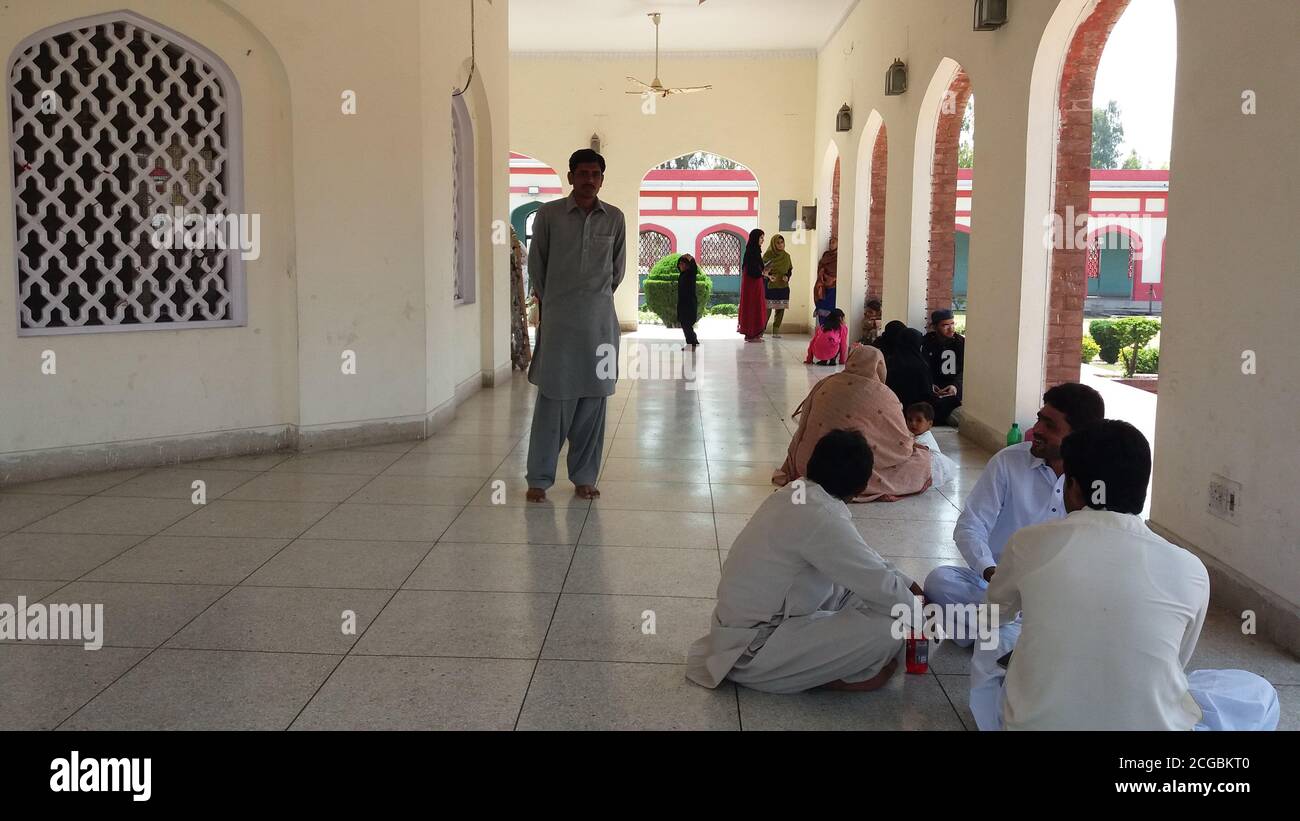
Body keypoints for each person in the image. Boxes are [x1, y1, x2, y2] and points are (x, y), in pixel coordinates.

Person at [977, 420, 1280, 731]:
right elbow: (1176, 661)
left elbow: (993, 616)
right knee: (1257, 692)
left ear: (1075, 487)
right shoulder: (1190, 570)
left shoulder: (1029, 542)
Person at [687, 429, 924, 693]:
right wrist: (924, 616)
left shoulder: (798, 492)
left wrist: (908, 584)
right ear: (862, 486)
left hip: (742, 630)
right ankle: (828, 677)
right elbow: (876, 581)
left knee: (865, 593)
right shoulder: (821, 515)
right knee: (892, 628)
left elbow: (864, 560)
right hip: (754, 648)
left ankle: (832, 664)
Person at [923, 383, 1105, 646]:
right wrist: (991, 571)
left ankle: (1001, 636)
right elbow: (970, 525)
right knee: (941, 581)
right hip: (999, 584)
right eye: (1040, 419)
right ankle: (1021, 638)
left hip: (1061, 592)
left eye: (1050, 426)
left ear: (1079, 436)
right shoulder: (1008, 461)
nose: (1037, 430)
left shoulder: (1095, 478)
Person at [525, 148, 626, 503]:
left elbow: (617, 271)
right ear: (570, 177)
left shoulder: (614, 218)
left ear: (602, 178)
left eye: (595, 174)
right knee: (553, 403)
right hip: (560, 326)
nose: (588, 180)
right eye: (582, 173)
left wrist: (593, 300)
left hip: (600, 327)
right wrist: (557, 303)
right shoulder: (549, 215)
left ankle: (584, 477)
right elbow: (537, 267)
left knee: (593, 405)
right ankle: (538, 479)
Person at [774, 345, 933, 501]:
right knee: (922, 461)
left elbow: (804, 425)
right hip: (848, 472)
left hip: (809, 463)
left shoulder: (826, 383)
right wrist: (912, 441)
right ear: (879, 366)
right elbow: (900, 447)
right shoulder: (884, 396)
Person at [875, 321, 933, 410]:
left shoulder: (889, 362)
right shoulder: (921, 365)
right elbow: (926, 394)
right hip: (916, 411)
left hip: (891, 408)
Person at [922, 309, 965, 425]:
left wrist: (955, 386)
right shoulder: (926, 343)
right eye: (945, 325)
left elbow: (965, 370)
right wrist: (930, 384)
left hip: (955, 392)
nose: (951, 328)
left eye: (952, 324)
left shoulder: (961, 343)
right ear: (935, 327)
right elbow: (923, 368)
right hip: (933, 392)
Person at [905, 401, 956, 488]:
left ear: (930, 424)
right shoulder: (914, 435)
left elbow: (923, 450)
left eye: (919, 420)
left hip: (932, 466)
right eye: (910, 420)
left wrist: (908, 443)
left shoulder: (926, 437)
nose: (913, 423)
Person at [737, 228, 768, 342]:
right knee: (753, 306)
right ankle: (752, 333)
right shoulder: (752, 252)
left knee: (754, 305)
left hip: (755, 283)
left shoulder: (754, 250)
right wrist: (762, 273)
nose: (762, 240)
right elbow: (751, 270)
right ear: (755, 238)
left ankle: (753, 333)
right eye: (761, 237)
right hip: (752, 284)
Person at [509, 226, 532, 371]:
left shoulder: (517, 246)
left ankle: (519, 353)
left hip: (516, 287)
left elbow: (524, 260)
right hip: (508, 289)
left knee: (516, 322)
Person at [762, 234, 793, 336]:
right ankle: (761, 330)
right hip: (770, 285)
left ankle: (776, 330)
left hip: (782, 286)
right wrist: (769, 276)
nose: (780, 245)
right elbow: (762, 270)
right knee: (767, 310)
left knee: (780, 309)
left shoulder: (787, 256)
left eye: (782, 242)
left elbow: (789, 270)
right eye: (778, 243)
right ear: (773, 244)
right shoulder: (767, 256)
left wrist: (787, 276)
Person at [676, 253, 701, 349]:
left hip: (689, 304)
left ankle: (691, 343)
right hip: (682, 304)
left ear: (687, 265)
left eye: (682, 264)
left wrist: (689, 257)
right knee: (684, 324)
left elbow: (694, 266)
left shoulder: (690, 274)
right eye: (680, 264)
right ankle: (693, 341)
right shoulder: (682, 275)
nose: (680, 266)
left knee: (686, 324)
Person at [813, 236, 838, 327]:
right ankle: (822, 330)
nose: (831, 244)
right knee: (821, 307)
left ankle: (829, 331)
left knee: (830, 309)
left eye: (834, 242)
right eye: (830, 242)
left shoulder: (838, 257)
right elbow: (820, 267)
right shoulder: (826, 255)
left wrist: (831, 278)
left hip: (832, 287)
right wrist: (822, 274)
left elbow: (838, 272)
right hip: (823, 286)